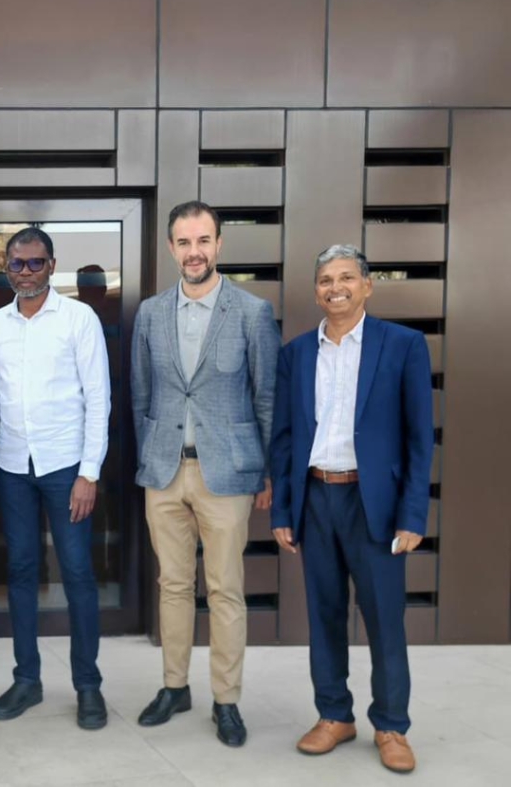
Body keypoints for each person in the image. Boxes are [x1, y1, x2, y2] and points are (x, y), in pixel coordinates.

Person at [270, 244, 433, 774]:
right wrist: (283, 510)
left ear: (367, 285)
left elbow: (419, 438)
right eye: (325, 279)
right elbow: (284, 438)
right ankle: (334, 715)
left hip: (375, 502)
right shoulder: (296, 353)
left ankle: (391, 724)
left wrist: (413, 515)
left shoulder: (403, 345)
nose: (334, 288)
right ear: (316, 290)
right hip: (317, 497)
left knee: (384, 618)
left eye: (346, 277)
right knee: (324, 613)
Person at [130, 200, 279, 747]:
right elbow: (141, 395)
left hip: (228, 473)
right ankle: (174, 687)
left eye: (203, 241)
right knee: (172, 585)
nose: (194, 252)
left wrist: (267, 472)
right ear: (172, 248)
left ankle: (226, 699)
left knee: (224, 590)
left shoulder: (252, 313)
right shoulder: (150, 313)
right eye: (184, 242)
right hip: (165, 472)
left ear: (219, 245)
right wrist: (149, 458)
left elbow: (266, 398)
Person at [0, 227, 111, 731]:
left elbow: (98, 398)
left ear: (52, 265)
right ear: (7, 267)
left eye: (35, 263)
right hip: (12, 466)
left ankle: (88, 686)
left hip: (66, 467)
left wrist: (89, 473)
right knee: (21, 572)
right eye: (17, 263)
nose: (26, 272)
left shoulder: (79, 318)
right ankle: (26, 680)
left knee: (77, 574)